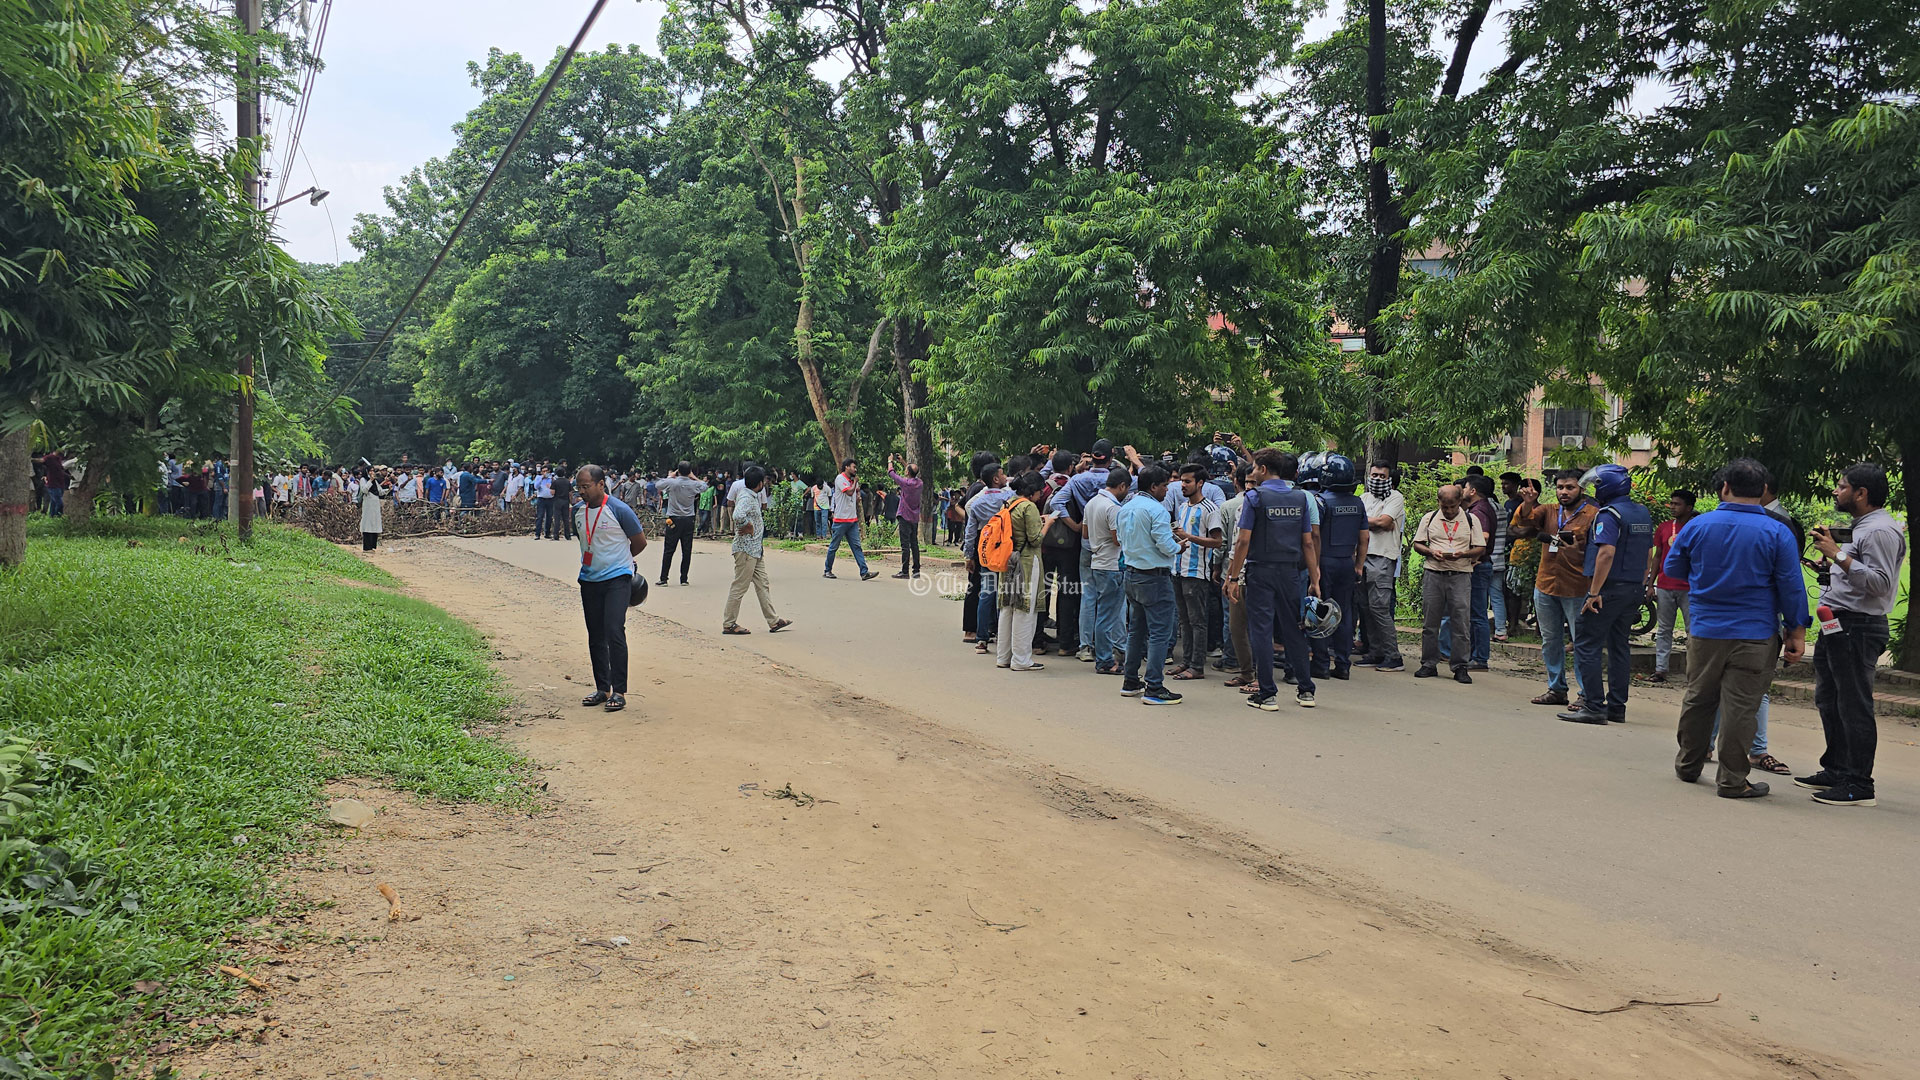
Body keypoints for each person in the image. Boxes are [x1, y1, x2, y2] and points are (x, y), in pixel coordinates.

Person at [1665, 458, 1809, 799]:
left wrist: (1705, 579)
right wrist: (1796, 632)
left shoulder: (1697, 526)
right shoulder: (1777, 532)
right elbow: (1791, 587)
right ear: (1763, 490)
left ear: (1725, 487)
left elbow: (1673, 568)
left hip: (1706, 629)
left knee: (1699, 697)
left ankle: (1688, 764)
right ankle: (1732, 780)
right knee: (1741, 707)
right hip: (1755, 633)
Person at [1800, 463, 1906, 807]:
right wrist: (1831, 565)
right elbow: (1856, 573)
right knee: (1829, 699)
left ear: (1861, 493)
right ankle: (1837, 769)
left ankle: (1859, 784)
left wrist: (1837, 554)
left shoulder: (1880, 531)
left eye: (1842, 486)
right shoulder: (1861, 528)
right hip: (1837, 622)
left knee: (1853, 705)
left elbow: (1880, 584)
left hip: (1858, 626)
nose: (1836, 491)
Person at [1224, 450, 1321, 710]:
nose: (1253, 472)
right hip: (1290, 573)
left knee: (1261, 630)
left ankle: (1267, 693)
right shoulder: (1300, 498)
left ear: (1264, 469)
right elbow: (1308, 542)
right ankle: (1306, 690)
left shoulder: (1255, 497)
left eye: (1255, 468)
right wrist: (1314, 578)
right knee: (1293, 629)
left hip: (1261, 571)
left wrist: (1233, 577)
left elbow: (1243, 540)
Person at [1559, 465, 1655, 724]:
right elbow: (1648, 552)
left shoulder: (1609, 514)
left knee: (1586, 644)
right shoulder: (1641, 512)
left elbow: (1606, 553)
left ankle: (1593, 706)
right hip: (1632, 588)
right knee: (1619, 646)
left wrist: (1594, 592)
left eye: (1597, 485)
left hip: (1608, 589)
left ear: (1607, 487)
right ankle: (1616, 707)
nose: (1593, 490)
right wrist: (1642, 582)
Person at [1510, 470, 1597, 707]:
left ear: (1581, 489)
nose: (1564, 492)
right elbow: (1524, 522)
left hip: (1578, 587)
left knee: (1581, 642)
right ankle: (1556, 688)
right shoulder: (1548, 510)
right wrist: (1528, 503)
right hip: (1546, 584)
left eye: (1570, 487)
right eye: (1560, 487)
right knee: (1550, 641)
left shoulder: (1593, 514)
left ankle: (1586, 694)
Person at [573, 464, 647, 713]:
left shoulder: (619, 510)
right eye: (579, 487)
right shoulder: (577, 511)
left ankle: (619, 691)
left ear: (601, 484)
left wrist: (622, 561)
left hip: (617, 579)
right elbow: (585, 541)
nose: (581, 491)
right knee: (595, 634)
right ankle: (602, 688)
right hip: (589, 579)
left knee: (614, 631)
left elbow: (639, 542)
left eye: (586, 486)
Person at [1116, 465, 1183, 704]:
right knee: (1159, 633)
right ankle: (1154, 686)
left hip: (1132, 573)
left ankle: (1130, 680)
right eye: (1165, 485)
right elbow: (1165, 544)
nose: (1167, 490)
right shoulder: (1157, 510)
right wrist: (1179, 547)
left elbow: (1120, 538)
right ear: (1154, 487)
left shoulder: (1126, 507)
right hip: (1154, 576)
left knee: (1136, 631)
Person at [1411, 485, 1486, 684]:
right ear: (1439, 502)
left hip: (1460, 574)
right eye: (1445, 507)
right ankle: (1428, 663)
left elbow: (1480, 547)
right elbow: (1418, 544)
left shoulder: (1471, 519)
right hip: (1434, 573)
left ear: (1460, 502)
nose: (1449, 511)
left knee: (1461, 621)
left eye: (1453, 506)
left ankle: (1460, 666)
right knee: (1430, 622)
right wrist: (1431, 552)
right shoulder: (1429, 518)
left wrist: (1464, 554)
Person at [1307, 454, 1368, 680]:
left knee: (1319, 611)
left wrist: (1314, 570)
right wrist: (1359, 566)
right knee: (1344, 613)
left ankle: (1321, 664)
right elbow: (1364, 538)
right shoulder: (1358, 503)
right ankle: (1343, 665)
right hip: (1347, 563)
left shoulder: (1320, 501)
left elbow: (1314, 537)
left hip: (1324, 563)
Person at [1167, 464, 1224, 680]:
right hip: (1178, 569)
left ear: (1200, 483)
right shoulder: (1183, 507)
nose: (1182, 485)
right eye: (1182, 481)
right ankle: (1187, 661)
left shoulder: (1210, 509)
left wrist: (1189, 537)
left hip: (1196, 572)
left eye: (1187, 481)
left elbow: (1217, 541)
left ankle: (1197, 666)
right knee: (1184, 620)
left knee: (1197, 621)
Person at [721, 466, 793, 636]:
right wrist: (747, 526)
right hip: (746, 550)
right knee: (740, 586)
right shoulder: (747, 497)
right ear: (760, 483)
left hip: (755, 550)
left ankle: (773, 620)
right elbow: (738, 515)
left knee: (763, 584)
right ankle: (729, 624)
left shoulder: (750, 495)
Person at [992, 472, 1051, 671]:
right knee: (1025, 609)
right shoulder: (1029, 507)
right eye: (1040, 491)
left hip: (1008, 560)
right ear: (1033, 491)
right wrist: (1048, 524)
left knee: (1007, 607)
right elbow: (1035, 539)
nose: (1041, 495)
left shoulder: (1008, 504)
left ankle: (1003, 656)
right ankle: (1021, 659)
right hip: (1026, 562)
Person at [1082, 467, 1132, 675]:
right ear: (1122, 486)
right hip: (1112, 565)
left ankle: (1104, 657)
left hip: (1097, 562)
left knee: (1101, 612)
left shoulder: (1092, 503)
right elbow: (1117, 539)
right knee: (1107, 616)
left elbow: (1085, 533)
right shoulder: (1113, 507)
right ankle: (1104, 660)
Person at [1646, 489, 1697, 682]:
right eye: (1672, 503)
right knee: (1663, 629)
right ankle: (1661, 669)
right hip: (1665, 585)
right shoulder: (1664, 527)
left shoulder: (1696, 528)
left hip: (1689, 587)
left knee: (1692, 630)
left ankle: (1694, 671)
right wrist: (1651, 583)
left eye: (1677, 504)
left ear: (1689, 508)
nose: (1672, 507)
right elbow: (1657, 556)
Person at [1359, 463, 1406, 671]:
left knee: (1379, 608)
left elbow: (1385, 522)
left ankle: (1393, 656)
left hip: (1383, 557)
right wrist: (1374, 521)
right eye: (1374, 475)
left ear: (1389, 478)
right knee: (1366, 608)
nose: (1377, 479)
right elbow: (1374, 522)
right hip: (1362, 556)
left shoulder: (1395, 497)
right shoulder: (1364, 498)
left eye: (1382, 476)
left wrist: (1365, 521)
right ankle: (1375, 652)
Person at [963, 462, 1014, 648]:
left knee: (986, 592)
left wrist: (969, 556)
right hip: (1006, 550)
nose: (1005, 477)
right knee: (1004, 593)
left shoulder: (977, 503)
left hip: (986, 551)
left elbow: (970, 532)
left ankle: (982, 638)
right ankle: (1002, 636)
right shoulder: (1009, 498)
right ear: (995, 479)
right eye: (1002, 474)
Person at [824, 458, 880, 581]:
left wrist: (858, 495)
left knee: (857, 547)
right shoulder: (840, 479)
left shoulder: (852, 481)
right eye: (853, 467)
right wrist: (854, 483)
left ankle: (864, 572)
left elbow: (856, 493)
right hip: (841, 520)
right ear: (847, 467)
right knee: (834, 546)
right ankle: (827, 570)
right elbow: (849, 492)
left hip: (852, 520)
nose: (855, 469)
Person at [655, 463, 702, 584]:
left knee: (669, 549)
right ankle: (684, 579)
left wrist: (671, 476)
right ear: (689, 471)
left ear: (678, 471)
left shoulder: (672, 482)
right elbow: (705, 486)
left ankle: (664, 578)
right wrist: (694, 477)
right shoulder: (694, 484)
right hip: (688, 519)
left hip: (673, 519)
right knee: (686, 550)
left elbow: (658, 485)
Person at [887, 455, 925, 579]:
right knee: (914, 544)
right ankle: (916, 571)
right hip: (914, 517)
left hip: (904, 516)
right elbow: (912, 474)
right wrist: (903, 462)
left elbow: (891, 473)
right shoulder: (919, 483)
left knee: (905, 545)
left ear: (907, 472)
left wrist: (890, 461)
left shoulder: (905, 483)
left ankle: (904, 571)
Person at [357, 468, 393, 551]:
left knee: (374, 523)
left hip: (375, 505)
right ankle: (367, 547)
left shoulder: (375, 481)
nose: (372, 472)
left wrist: (388, 489)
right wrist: (370, 480)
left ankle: (373, 546)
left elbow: (380, 492)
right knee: (367, 524)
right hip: (368, 505)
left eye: (373, 471)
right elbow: (364, 490)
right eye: (370, 471)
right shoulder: (363, 480)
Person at [40, 450, 69, 518]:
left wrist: (69, 476)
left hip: (60, 484)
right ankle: (58, 516)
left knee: (53, 502)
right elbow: (41, 460)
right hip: (53, 484)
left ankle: (52, 516)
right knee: (59, 503)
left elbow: (60, 470)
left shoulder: (59, 459)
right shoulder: (50, 457)